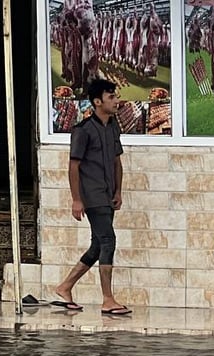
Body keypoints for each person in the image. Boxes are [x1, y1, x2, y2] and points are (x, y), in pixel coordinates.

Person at [52, 78, 130, 315]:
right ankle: (107, 299)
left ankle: (65, 286)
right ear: (97, 102)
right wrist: (76, 199)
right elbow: (73, 167)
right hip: (92, 195)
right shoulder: (83, 130)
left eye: (115, 96)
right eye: (111, 97)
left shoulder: (113, 126)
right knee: (108, 241)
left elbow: (117, 161)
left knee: (98, 245)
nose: (116, 101)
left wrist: (118, 190)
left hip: (107, 194)